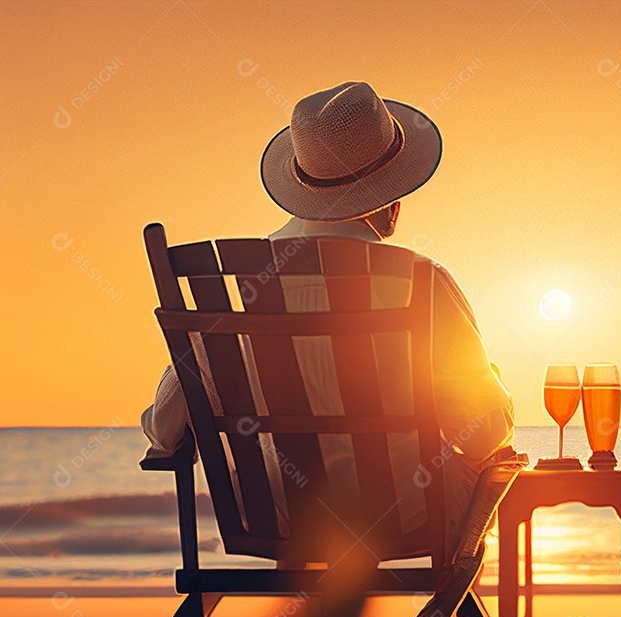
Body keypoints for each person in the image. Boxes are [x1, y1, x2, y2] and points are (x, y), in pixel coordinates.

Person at [142, 82, 520, 581]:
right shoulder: (421, 282)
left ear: (302, 184)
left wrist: (162, 424)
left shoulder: (232, 290)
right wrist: (489, 385)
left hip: (276, 516)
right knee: (501, 457)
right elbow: (483, 434)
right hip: (405, 517)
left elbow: (166, 431)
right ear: (393, 197)